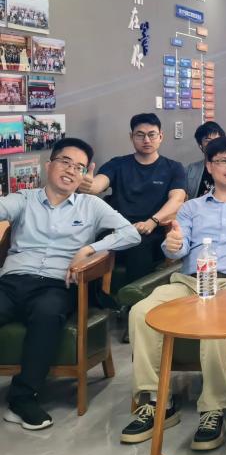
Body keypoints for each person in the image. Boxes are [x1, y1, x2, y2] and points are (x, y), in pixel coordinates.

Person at [121, 137, 226, 448]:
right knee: (142, 312)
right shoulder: (191, 208)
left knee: (214, 324)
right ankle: (156, 401)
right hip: (189, 282)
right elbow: (177, 248)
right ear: (209, 166)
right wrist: (172, 245)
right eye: (224, 161)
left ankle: (213, 408)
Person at [0, 138, 141, 430]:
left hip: (57, 284)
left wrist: (90, 249)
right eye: (65, 162)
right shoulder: (24, 199)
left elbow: (131, 234)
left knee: (47, 314)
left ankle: (23, 397)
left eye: (79, 167)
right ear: (49, 165)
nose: (71, 171)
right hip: (13, 280)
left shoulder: (91, 206)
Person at [78, 113, 186, 284]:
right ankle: (96, 297)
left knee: (139, 246)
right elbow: (98, 184)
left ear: (161, 136)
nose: (146, 140)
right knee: (94, 244)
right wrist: (89, 186)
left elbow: (177, 199)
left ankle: (134, 298)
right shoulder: (118, 164)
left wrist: (152, 222)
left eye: (151, 134)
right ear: (131, 137)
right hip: (116, 229)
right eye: (140, 135)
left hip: (152, 232)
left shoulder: (173, 168)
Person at [184, 121, 226, 198]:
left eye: (217, 140)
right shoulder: (191, 170)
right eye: (208, 140)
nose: (213, 144)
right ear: (200, 144)